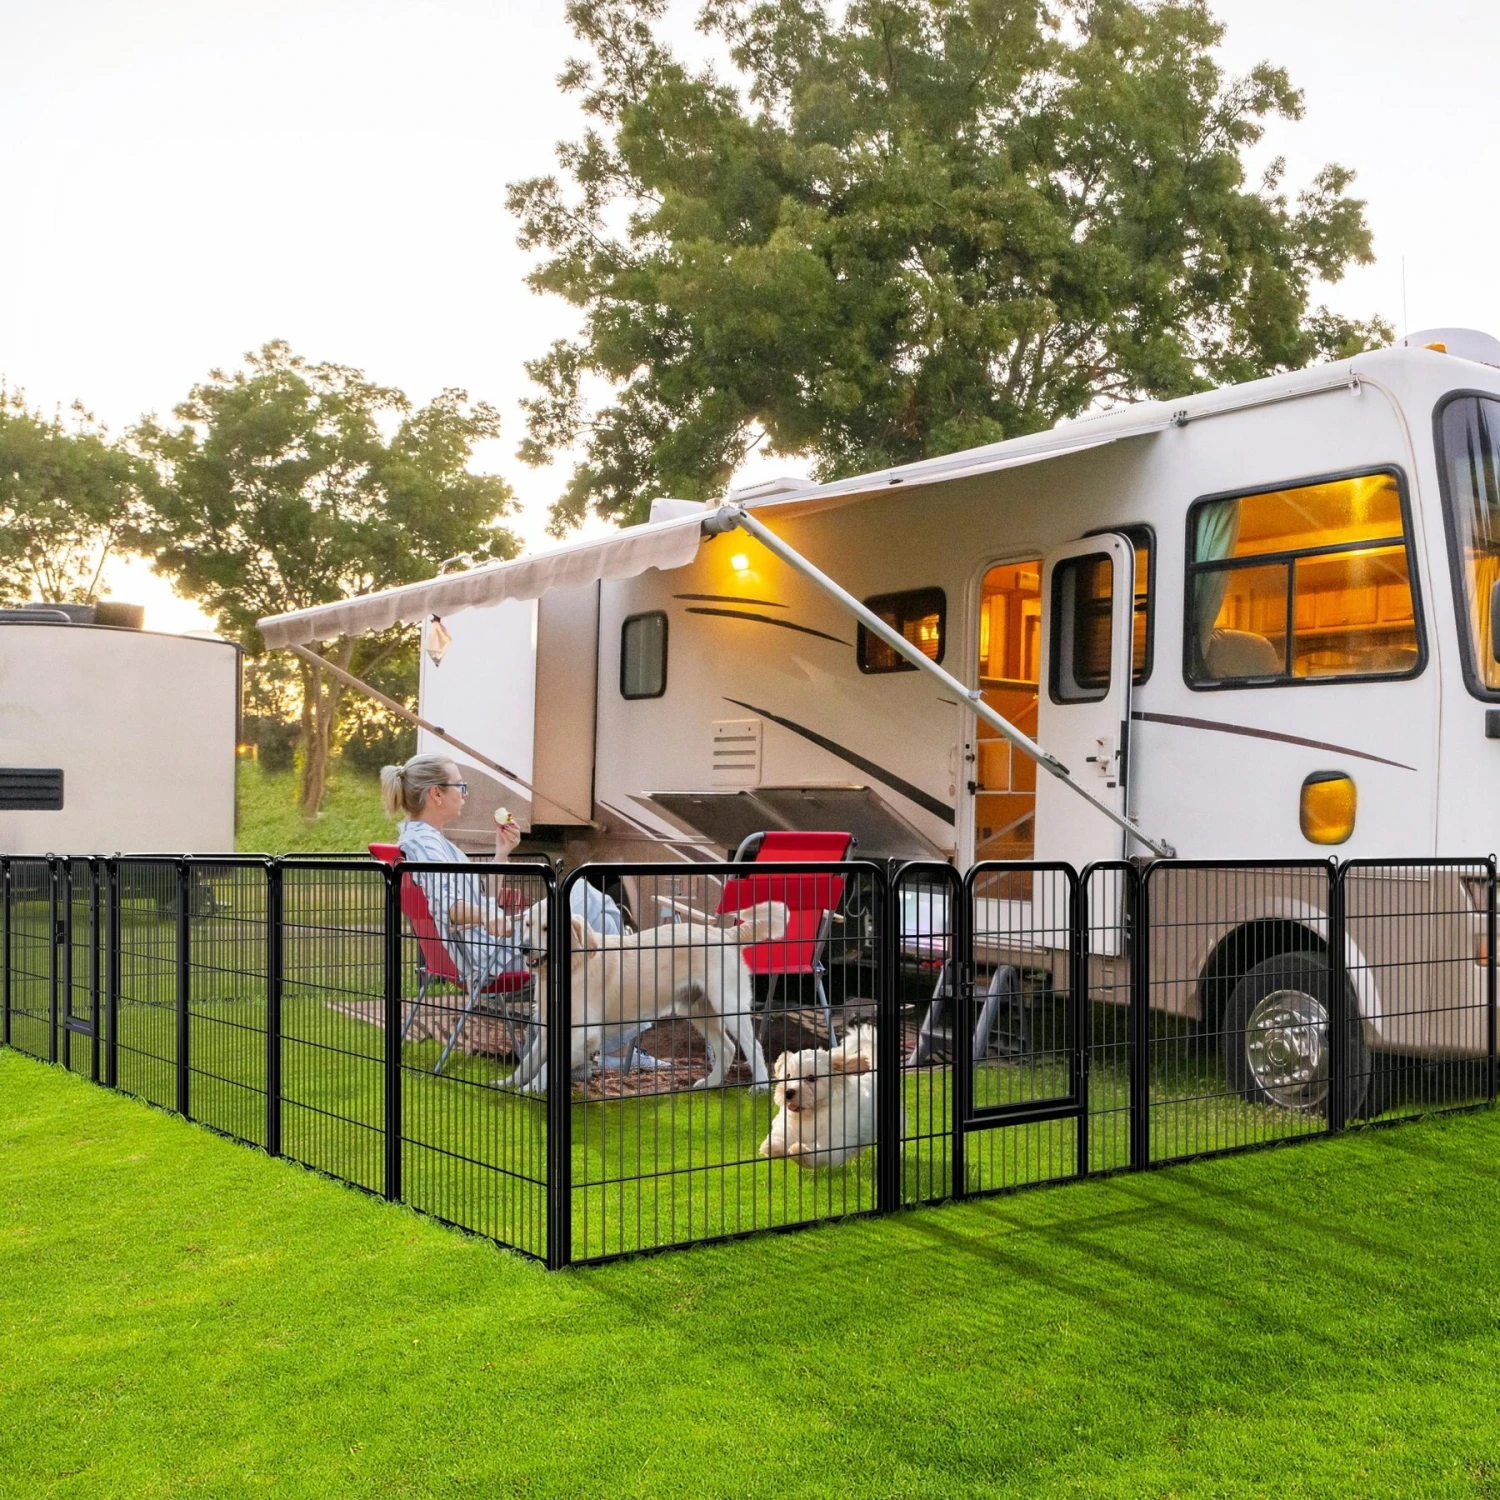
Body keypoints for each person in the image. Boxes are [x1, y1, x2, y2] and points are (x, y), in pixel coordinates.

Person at [379, 751, 625, 999]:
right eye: (460, 785)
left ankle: (607, 1001)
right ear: (436, 793)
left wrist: (501, 853)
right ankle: (616, 1000)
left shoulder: (424, 840)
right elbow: (449, 907)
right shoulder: (425, 845)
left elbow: (478, 900)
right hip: (494, 956)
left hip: (492, 947)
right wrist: (486, 915)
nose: (465, 793)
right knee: (588, 898)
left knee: (590, 905)